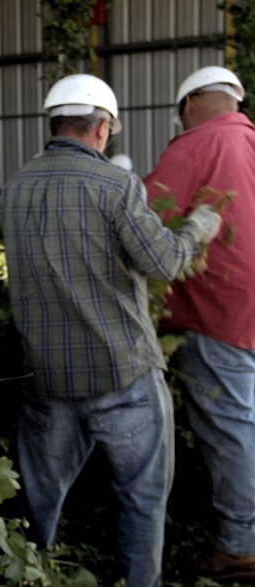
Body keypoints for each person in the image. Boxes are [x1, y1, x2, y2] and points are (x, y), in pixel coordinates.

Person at [0, 73, 223, 587]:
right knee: (142, 499)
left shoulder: (14, 188)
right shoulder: (115, 185)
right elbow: (163, 262)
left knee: (36, 504)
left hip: (46, 381)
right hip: (123, 376)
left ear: (53, 124)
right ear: (103, 129)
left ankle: (26, 575)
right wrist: (199, 226)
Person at [143, 65, 255, 583]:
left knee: (231, 428)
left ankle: (237, 543)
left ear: (189, 105)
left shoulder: (194, 145)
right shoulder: (250, 142)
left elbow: (145, 222)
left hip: (218, 309)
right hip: (251, 308)